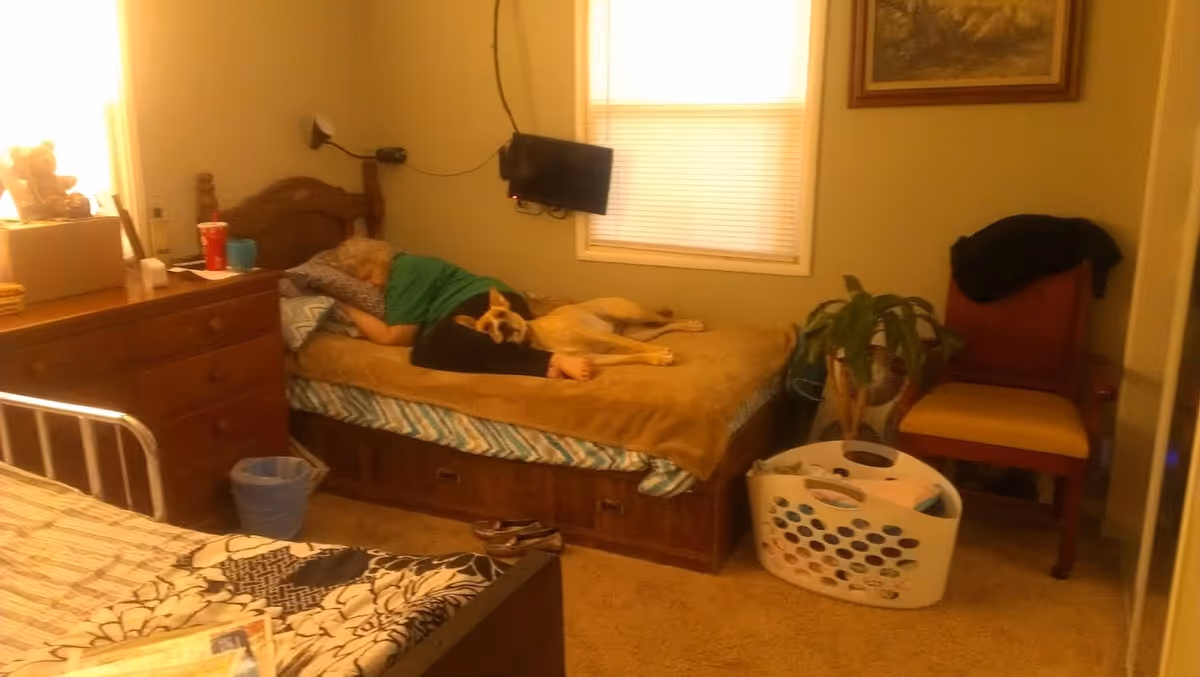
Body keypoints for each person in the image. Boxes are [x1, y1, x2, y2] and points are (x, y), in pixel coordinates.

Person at [330, 237, 592, 381]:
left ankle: (549, 360)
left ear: (378, 259)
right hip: (497, 301)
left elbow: (395, 337)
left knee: (430, 347)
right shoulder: (404, 271)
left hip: (487, 302)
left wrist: (345, 305)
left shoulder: (403, 270)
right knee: (431, 348)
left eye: (370, 274)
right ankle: (543, 364)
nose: (372, 284)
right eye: (363, 283)